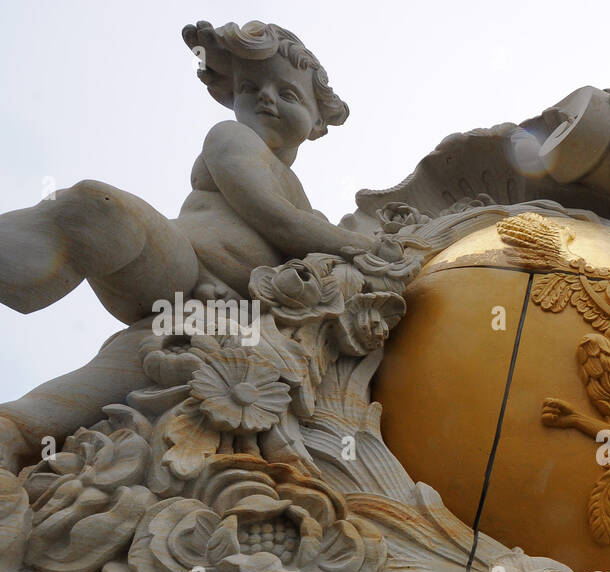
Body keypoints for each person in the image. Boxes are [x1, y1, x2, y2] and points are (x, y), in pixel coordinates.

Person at [0, 20, 375, 471]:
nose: (266, 97)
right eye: (250, 87)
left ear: (317, 120)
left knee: (101, 384)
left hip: (208, 316)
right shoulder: (232, 138)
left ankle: (12, 433)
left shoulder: (305, 206)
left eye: (288, 94)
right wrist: (363, 247)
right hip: (179, 265)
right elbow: (274, 218)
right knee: (94, 208)